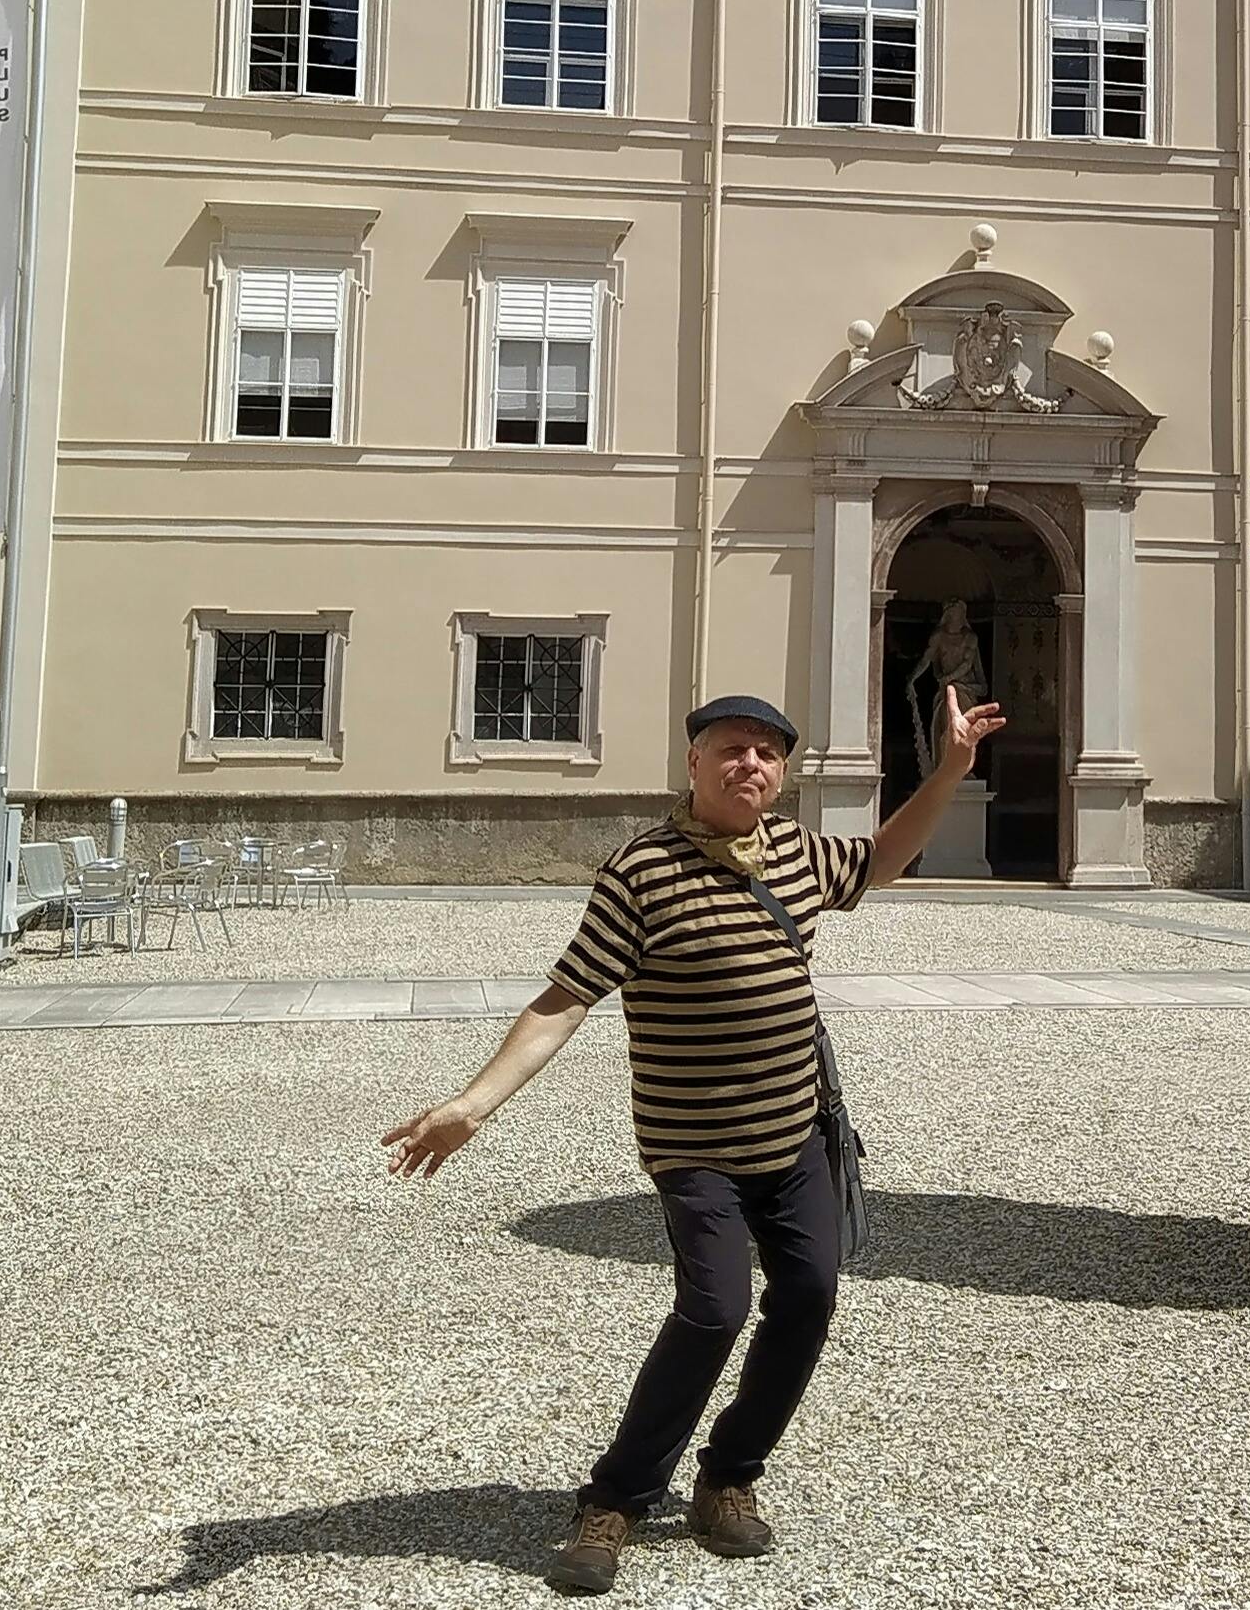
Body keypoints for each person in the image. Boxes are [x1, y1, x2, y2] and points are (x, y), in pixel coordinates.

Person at [383, 679, 1008, 1594]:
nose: (748, 762)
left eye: (765, 750)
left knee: (810, 1295)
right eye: (731, 746)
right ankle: (618, 1497)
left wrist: (951, 769)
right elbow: (567, 997)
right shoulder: (639, 870)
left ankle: (729, 1475)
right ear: (694, 762)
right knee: (714, 1309)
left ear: (781, 770)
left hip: (795, 1134)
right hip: (695, 1145)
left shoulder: (793, 852)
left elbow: (881, 857)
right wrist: (473, 1104)